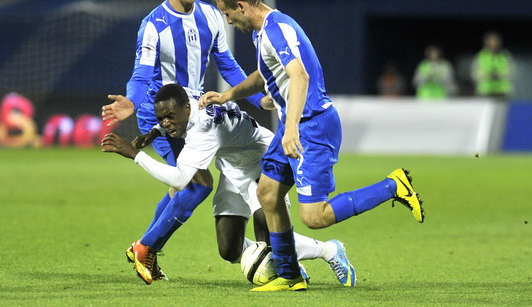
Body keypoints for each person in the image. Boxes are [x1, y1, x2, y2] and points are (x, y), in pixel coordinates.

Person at [202, 0, 425, 292]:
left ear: (241, 6)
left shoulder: (277, 30)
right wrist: (228, 94)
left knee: (315, 217)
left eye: (227, 14)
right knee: (267, 194)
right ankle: (290, 274)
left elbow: (300, 76)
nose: (227, 21)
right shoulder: (262, 31)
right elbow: (267, 73)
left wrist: (290, 127)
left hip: (312, 127)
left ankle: (394, 185)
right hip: (294, 126)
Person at [100, 0, 268, 283]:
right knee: (198, 184)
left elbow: (228, 65)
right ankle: (147, 247)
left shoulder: (210, 16)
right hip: (163, 118)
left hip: (196, 116)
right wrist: (132, 102)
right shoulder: (153, 25)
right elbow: (141, 74)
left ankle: (143, 248)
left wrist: (260, 98)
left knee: (182, 188)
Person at [101, 83, 352, 286]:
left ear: (187, 109)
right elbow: (169, 111)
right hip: (233, 167)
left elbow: (179, 179)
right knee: (229, 249)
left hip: (262, 161)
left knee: (268, 229)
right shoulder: (184, 97)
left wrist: (135, 155)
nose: (167, 123)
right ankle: (277, 257)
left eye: (170, 118)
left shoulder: (202, 131)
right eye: (161, 119)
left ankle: (328, 250)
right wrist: (155, 131)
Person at [471, 31, 514, 99]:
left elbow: (511, 73)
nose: (493, 44)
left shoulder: (505, 56)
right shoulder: (480, 56)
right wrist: (488, 75)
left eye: (495, 41)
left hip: (502, 92)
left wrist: (498, 75)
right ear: (486, 42)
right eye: (491, 41)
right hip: (485, 92)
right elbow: (475, 75)